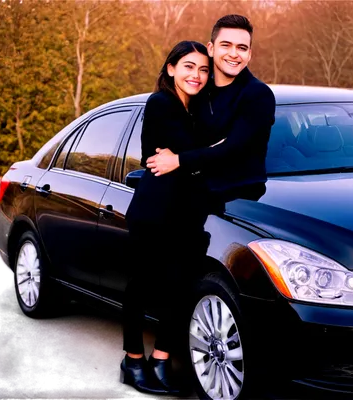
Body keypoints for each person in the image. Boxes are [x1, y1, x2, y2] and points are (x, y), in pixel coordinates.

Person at [120, 40, 212, 395]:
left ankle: (160, 358)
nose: (197, 75)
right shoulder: (160, 103)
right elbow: (190, 148)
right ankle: (132, 359)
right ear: (171, 68)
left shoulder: (204, 109)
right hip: (154, 212)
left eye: (204, 69)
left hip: (189, 215)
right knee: (139, 290)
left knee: (178, 290)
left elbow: (197, 152)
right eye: (189, 66)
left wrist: (193, 157)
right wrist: (206, 153)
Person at [146, 14, 276, 212]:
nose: (234, 54)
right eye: (226, 45)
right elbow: (159, 152)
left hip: (240, 204)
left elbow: (233, 149)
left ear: (250, 54)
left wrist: (178, 159)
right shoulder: (197, 92)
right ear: (211, 48)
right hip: (190, 202)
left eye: (242, 48)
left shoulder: (258, 94)